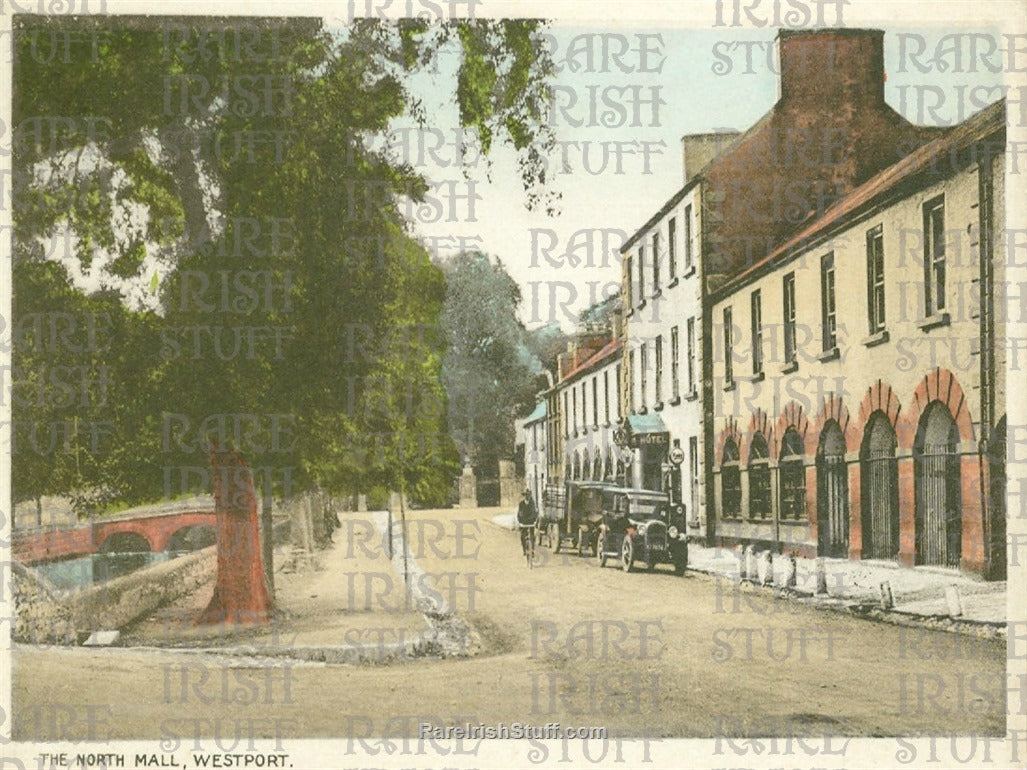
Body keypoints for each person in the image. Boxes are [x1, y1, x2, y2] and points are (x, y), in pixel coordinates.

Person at [517, 489, 538, 557]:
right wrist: (520, 522)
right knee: (523, 536)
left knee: (532, 536)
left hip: (531, 522)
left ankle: (532, 550)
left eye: (528, 495)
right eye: (526, 495)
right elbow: (519, 514)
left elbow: (534, 513)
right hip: (523, 522)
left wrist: (534, 520)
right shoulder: (521, 504)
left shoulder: (532, 503)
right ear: (524, 496)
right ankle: (524, 550)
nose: (527, 497)